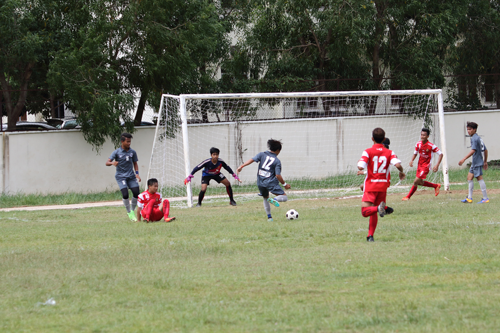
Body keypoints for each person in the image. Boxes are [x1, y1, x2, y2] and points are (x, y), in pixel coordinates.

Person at [357, 128, 405, 242]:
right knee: (374, 211)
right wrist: (401, 172)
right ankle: (370, 236)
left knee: (365, 212)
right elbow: (398, 165)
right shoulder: (390, 152)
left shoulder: (367, 151)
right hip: (383, 187)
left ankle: (381, 208)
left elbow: (360, 167)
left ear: (372, 139)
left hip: (371, 186)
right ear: (384, 139)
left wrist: (364, 165)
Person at [237, 139, 291, 222]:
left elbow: (252, 160)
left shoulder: (262, 154)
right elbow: (277, 175)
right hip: (270, 182)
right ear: (278, 150)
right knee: (284, 197)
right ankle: (275, 200)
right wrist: (285, 184)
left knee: (265, 198)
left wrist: (242, 166)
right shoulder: (277, 161)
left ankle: (269, 218)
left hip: (260, 182)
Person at [106, 133, 141, 221]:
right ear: (122, 141)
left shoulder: (132, 152)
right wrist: (112, 163)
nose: (129, 143)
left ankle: (132, 211)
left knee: (137, 193)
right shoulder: (116, 152)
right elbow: (107, 162)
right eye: (127, 141)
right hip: (121, 177)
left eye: (130, 141)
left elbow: (135, 163)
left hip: (131, 176)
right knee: (125, 194)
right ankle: (129, 212)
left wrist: (137, 173)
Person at [402, 128, 443, 201]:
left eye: (424, 135)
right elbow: (415, 153)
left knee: (415, 181)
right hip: (419, 165)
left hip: (426, 166)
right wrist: (412, 160)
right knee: (419, 182)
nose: (422, 136)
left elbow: (441, 154)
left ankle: (408, 197)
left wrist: (437, 165)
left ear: (428, 136)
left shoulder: (431, 146)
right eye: (421, 135)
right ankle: (436, 186)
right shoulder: (418, 144)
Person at [458, 122, 489, 203]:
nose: (468, 131)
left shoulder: (474, 139)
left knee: (479, 178)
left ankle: (485, 198)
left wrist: (464, 159)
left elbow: (473, 150)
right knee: (469, 178)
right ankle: (469, 198)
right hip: (476, 162)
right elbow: (485, 150)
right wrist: (485, 161)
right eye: (467, 129)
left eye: (470, 129)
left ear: (474, 130)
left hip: (477, 162)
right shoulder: (478, 138)